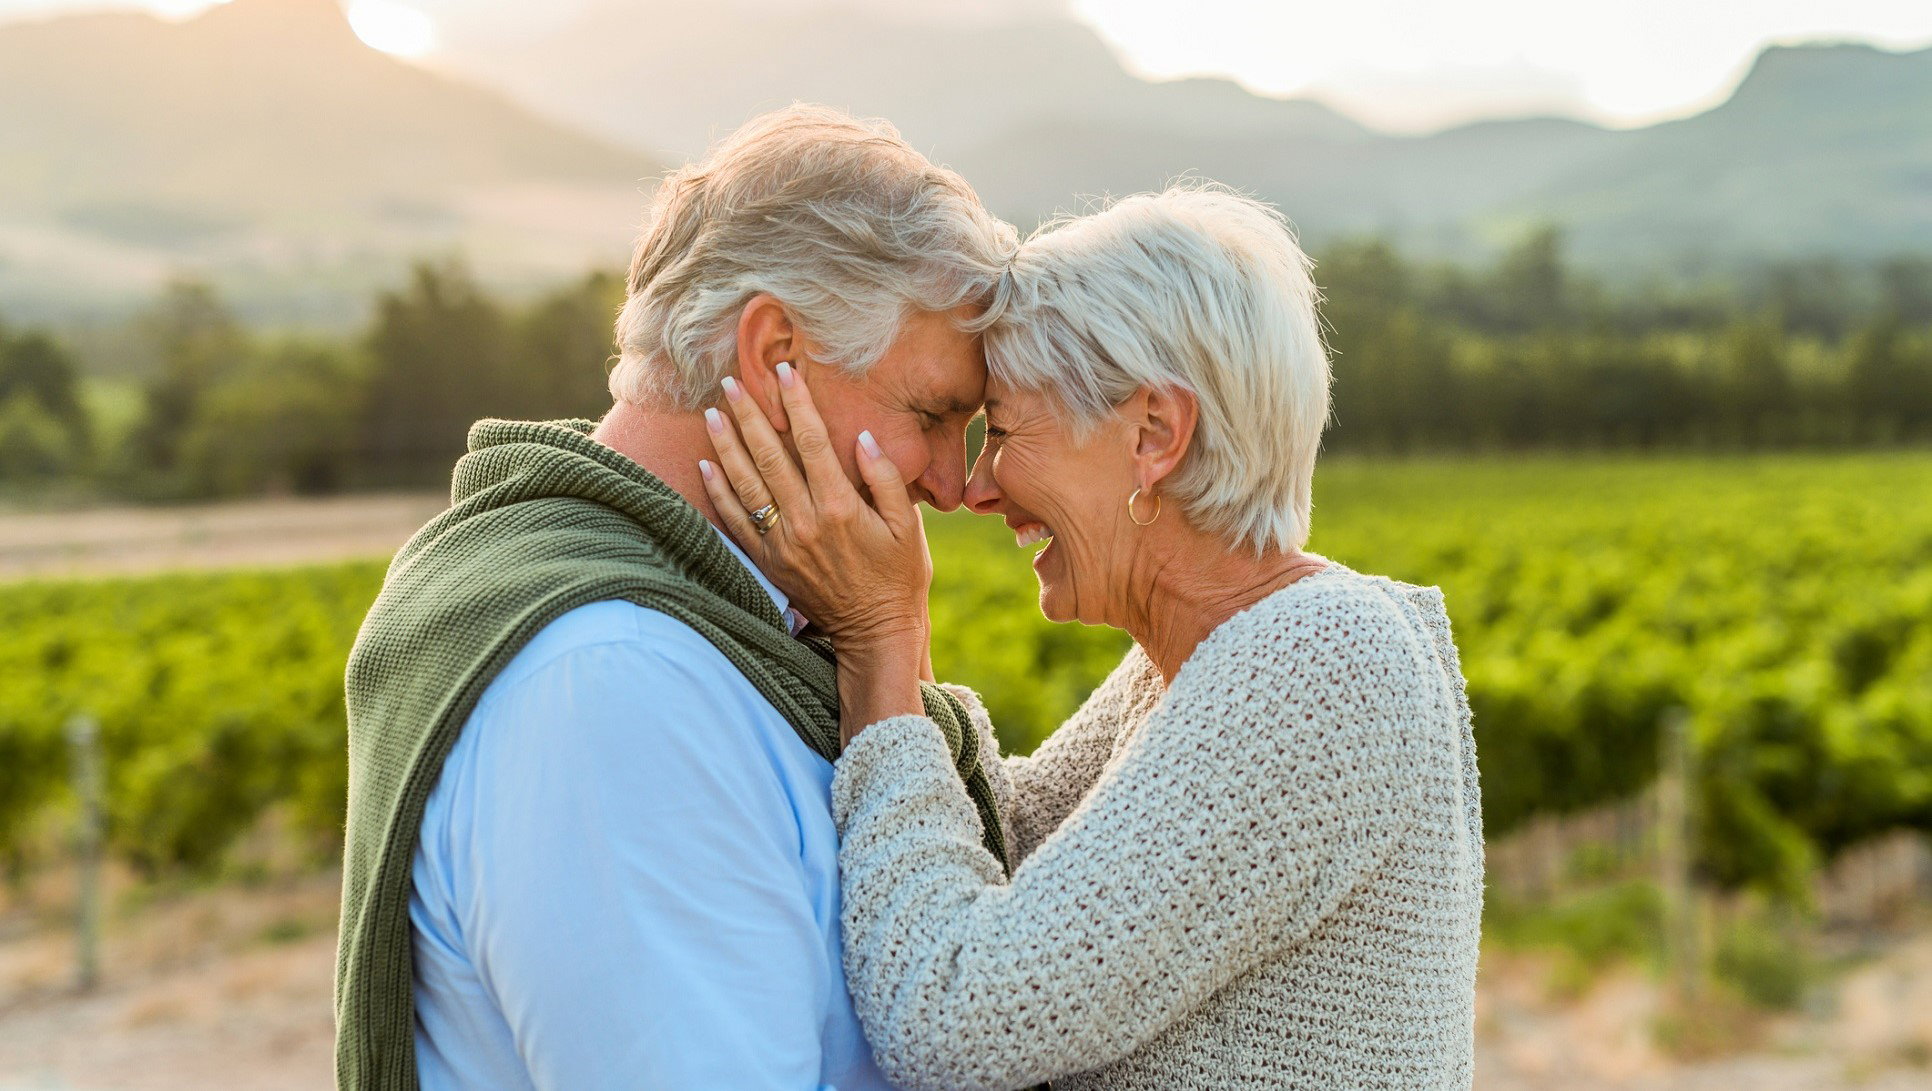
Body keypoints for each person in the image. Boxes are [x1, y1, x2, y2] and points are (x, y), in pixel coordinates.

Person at [701, 184, 1484, 1090]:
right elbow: (1015, 839)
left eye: (1006, 429)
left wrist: (881, 638)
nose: (977, 488)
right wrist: (887, 618)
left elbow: (955, 1013)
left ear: (1153, 433)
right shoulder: (1209, 658)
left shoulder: (1320, 666)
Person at [333, 104, 1018, 1089]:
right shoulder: (617, 685)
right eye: (930, 414)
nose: (952, 485)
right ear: (775, 351)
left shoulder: (703, 637)